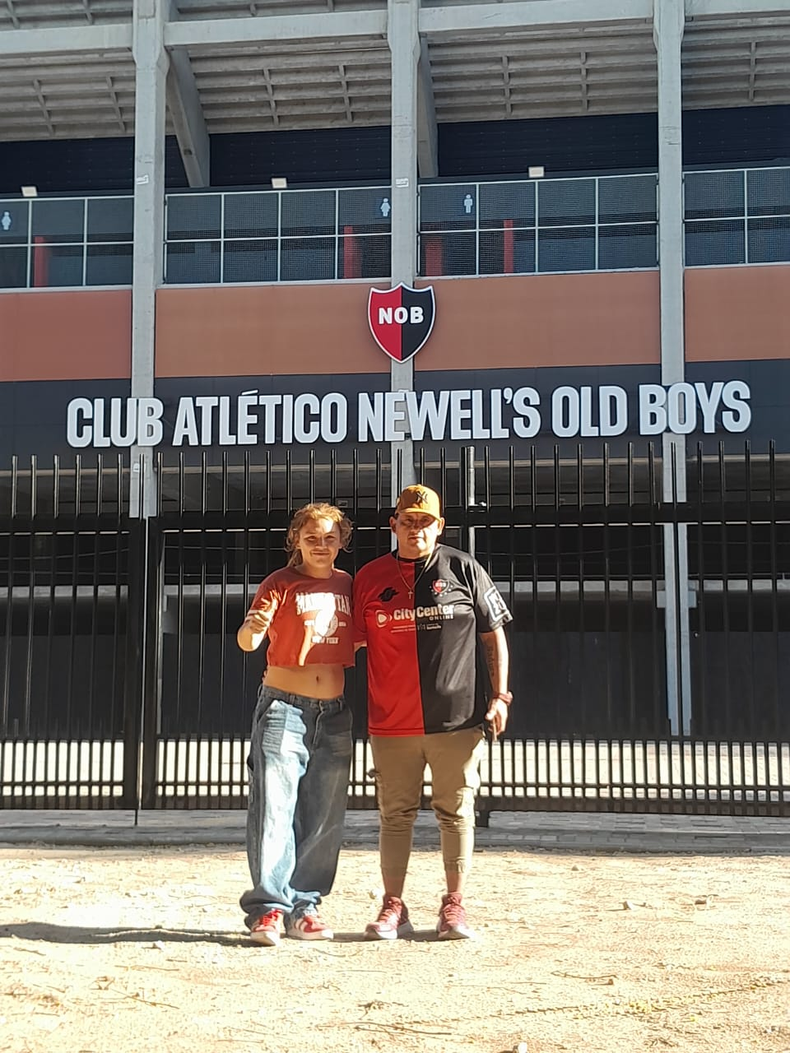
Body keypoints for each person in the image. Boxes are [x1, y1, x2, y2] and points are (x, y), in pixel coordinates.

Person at [353, 484, 512, 941]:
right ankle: (393, 906)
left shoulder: (464, 568)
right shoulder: (370, 577)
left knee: (455, 812)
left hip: (457, 720)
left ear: (439, 526)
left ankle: (454, 905)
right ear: (394, 525)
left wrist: (500, 696)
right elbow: (350, 641)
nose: (416, 529)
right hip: (391, 721)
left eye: (425, 522)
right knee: (394, 815)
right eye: (408, 521)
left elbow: (494, 635)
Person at [237, 503, 355, 946]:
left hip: (334, 711)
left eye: (329, 538)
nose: (321, 545)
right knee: (274, 808)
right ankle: (269, 907)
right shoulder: (279, 583)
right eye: (312, 537)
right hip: (283, 707)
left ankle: (305, 906)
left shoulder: (349, 585)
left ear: (342, 541)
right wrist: (252, 628)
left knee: (325, 814)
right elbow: (248, 640)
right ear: (296, 540)